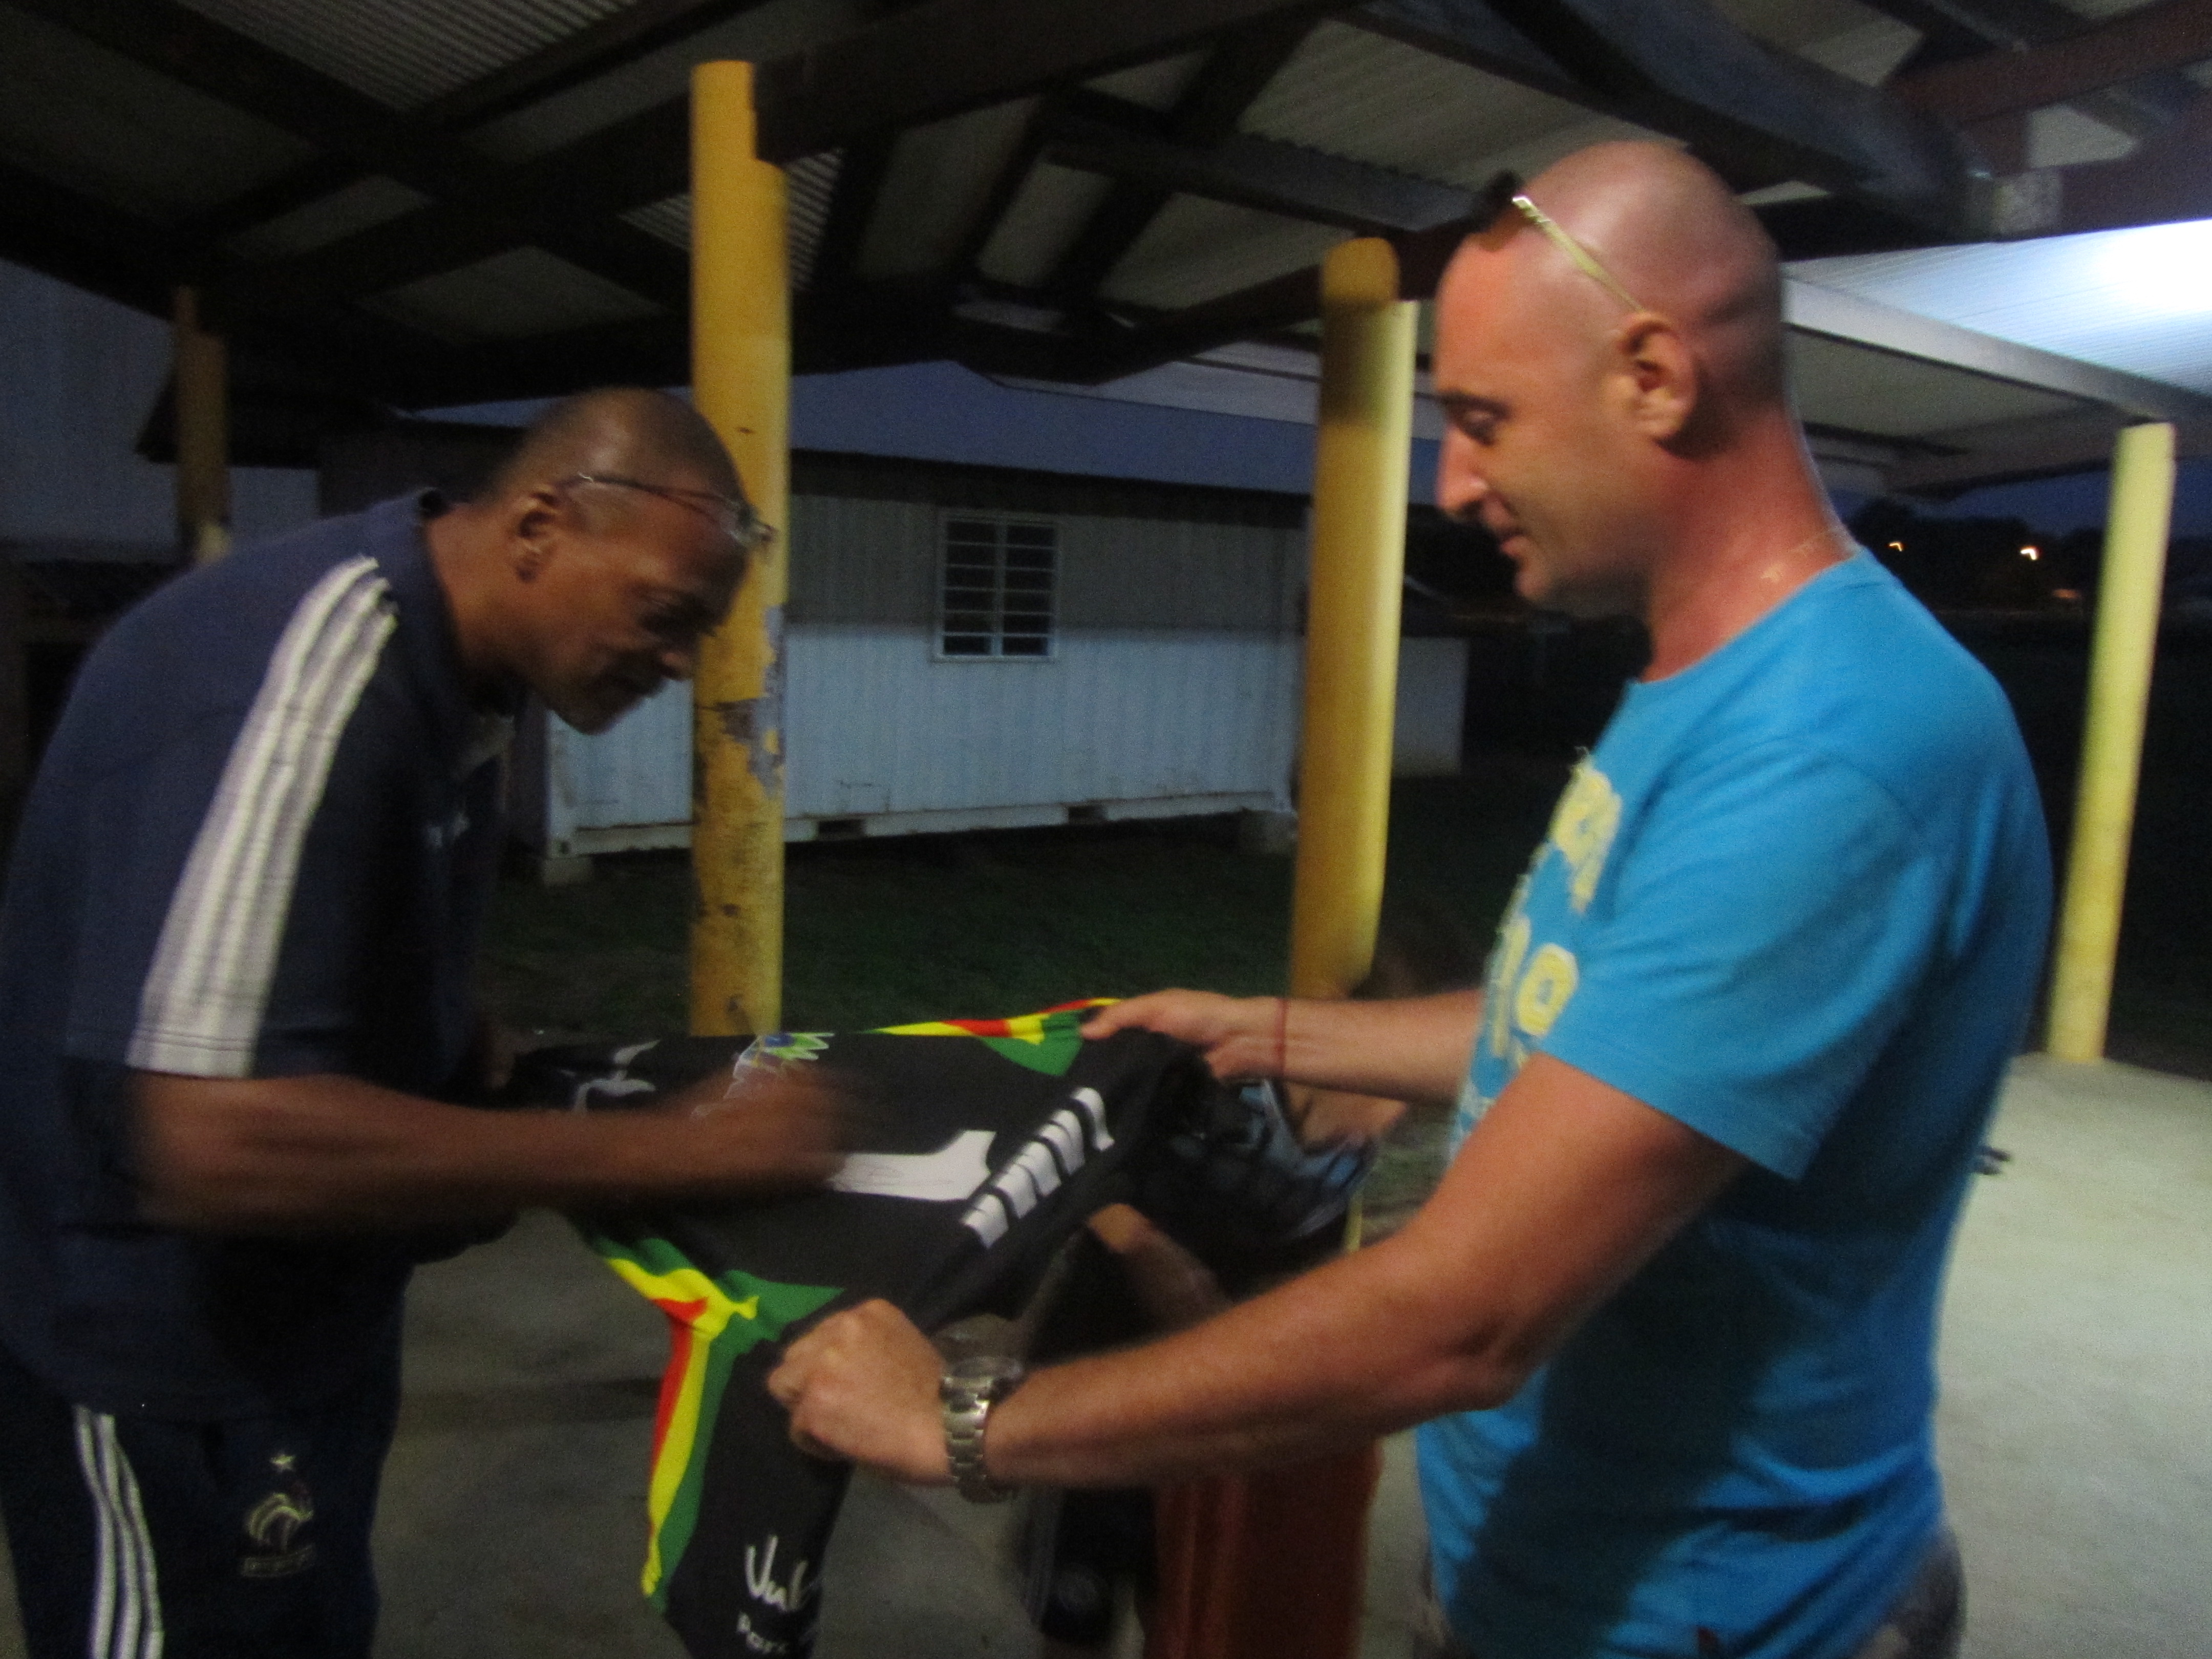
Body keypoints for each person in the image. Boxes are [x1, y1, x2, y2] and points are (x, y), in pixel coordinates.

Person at [767, 143, 2052, 1659]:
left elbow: (1465, 1319)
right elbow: (1610, 1033)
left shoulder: (1831, 749)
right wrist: (1277, 1033)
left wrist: (970, 1421)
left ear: (1652, 377)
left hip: (1722, 1611)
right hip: (1558, 1567)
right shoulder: (1715, 682)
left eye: (1485, 421)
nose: (1453, 483)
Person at [0, 388, 840, 1659]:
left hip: (307, 1322)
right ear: (541, 527)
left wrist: (447, 1027)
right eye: (667, 616)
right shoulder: (315, 675)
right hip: (161, 1357)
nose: (680, 666)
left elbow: (301, 926)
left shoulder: (473, 674)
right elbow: (209, 1135)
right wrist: (665, 1151)